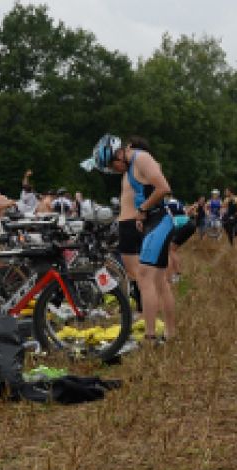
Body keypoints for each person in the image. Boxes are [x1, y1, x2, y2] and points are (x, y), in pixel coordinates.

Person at [89, 134, 176, 341]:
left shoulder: (141, 158)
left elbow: (164, 188)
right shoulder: (131, 165)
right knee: (154, 280)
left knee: (147, 280)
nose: (113, 170)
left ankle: (151, 335)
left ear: (119, 154)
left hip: (153, 222)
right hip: (143, 222)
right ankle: (168, 333)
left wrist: (143, 209)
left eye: (112, 166)